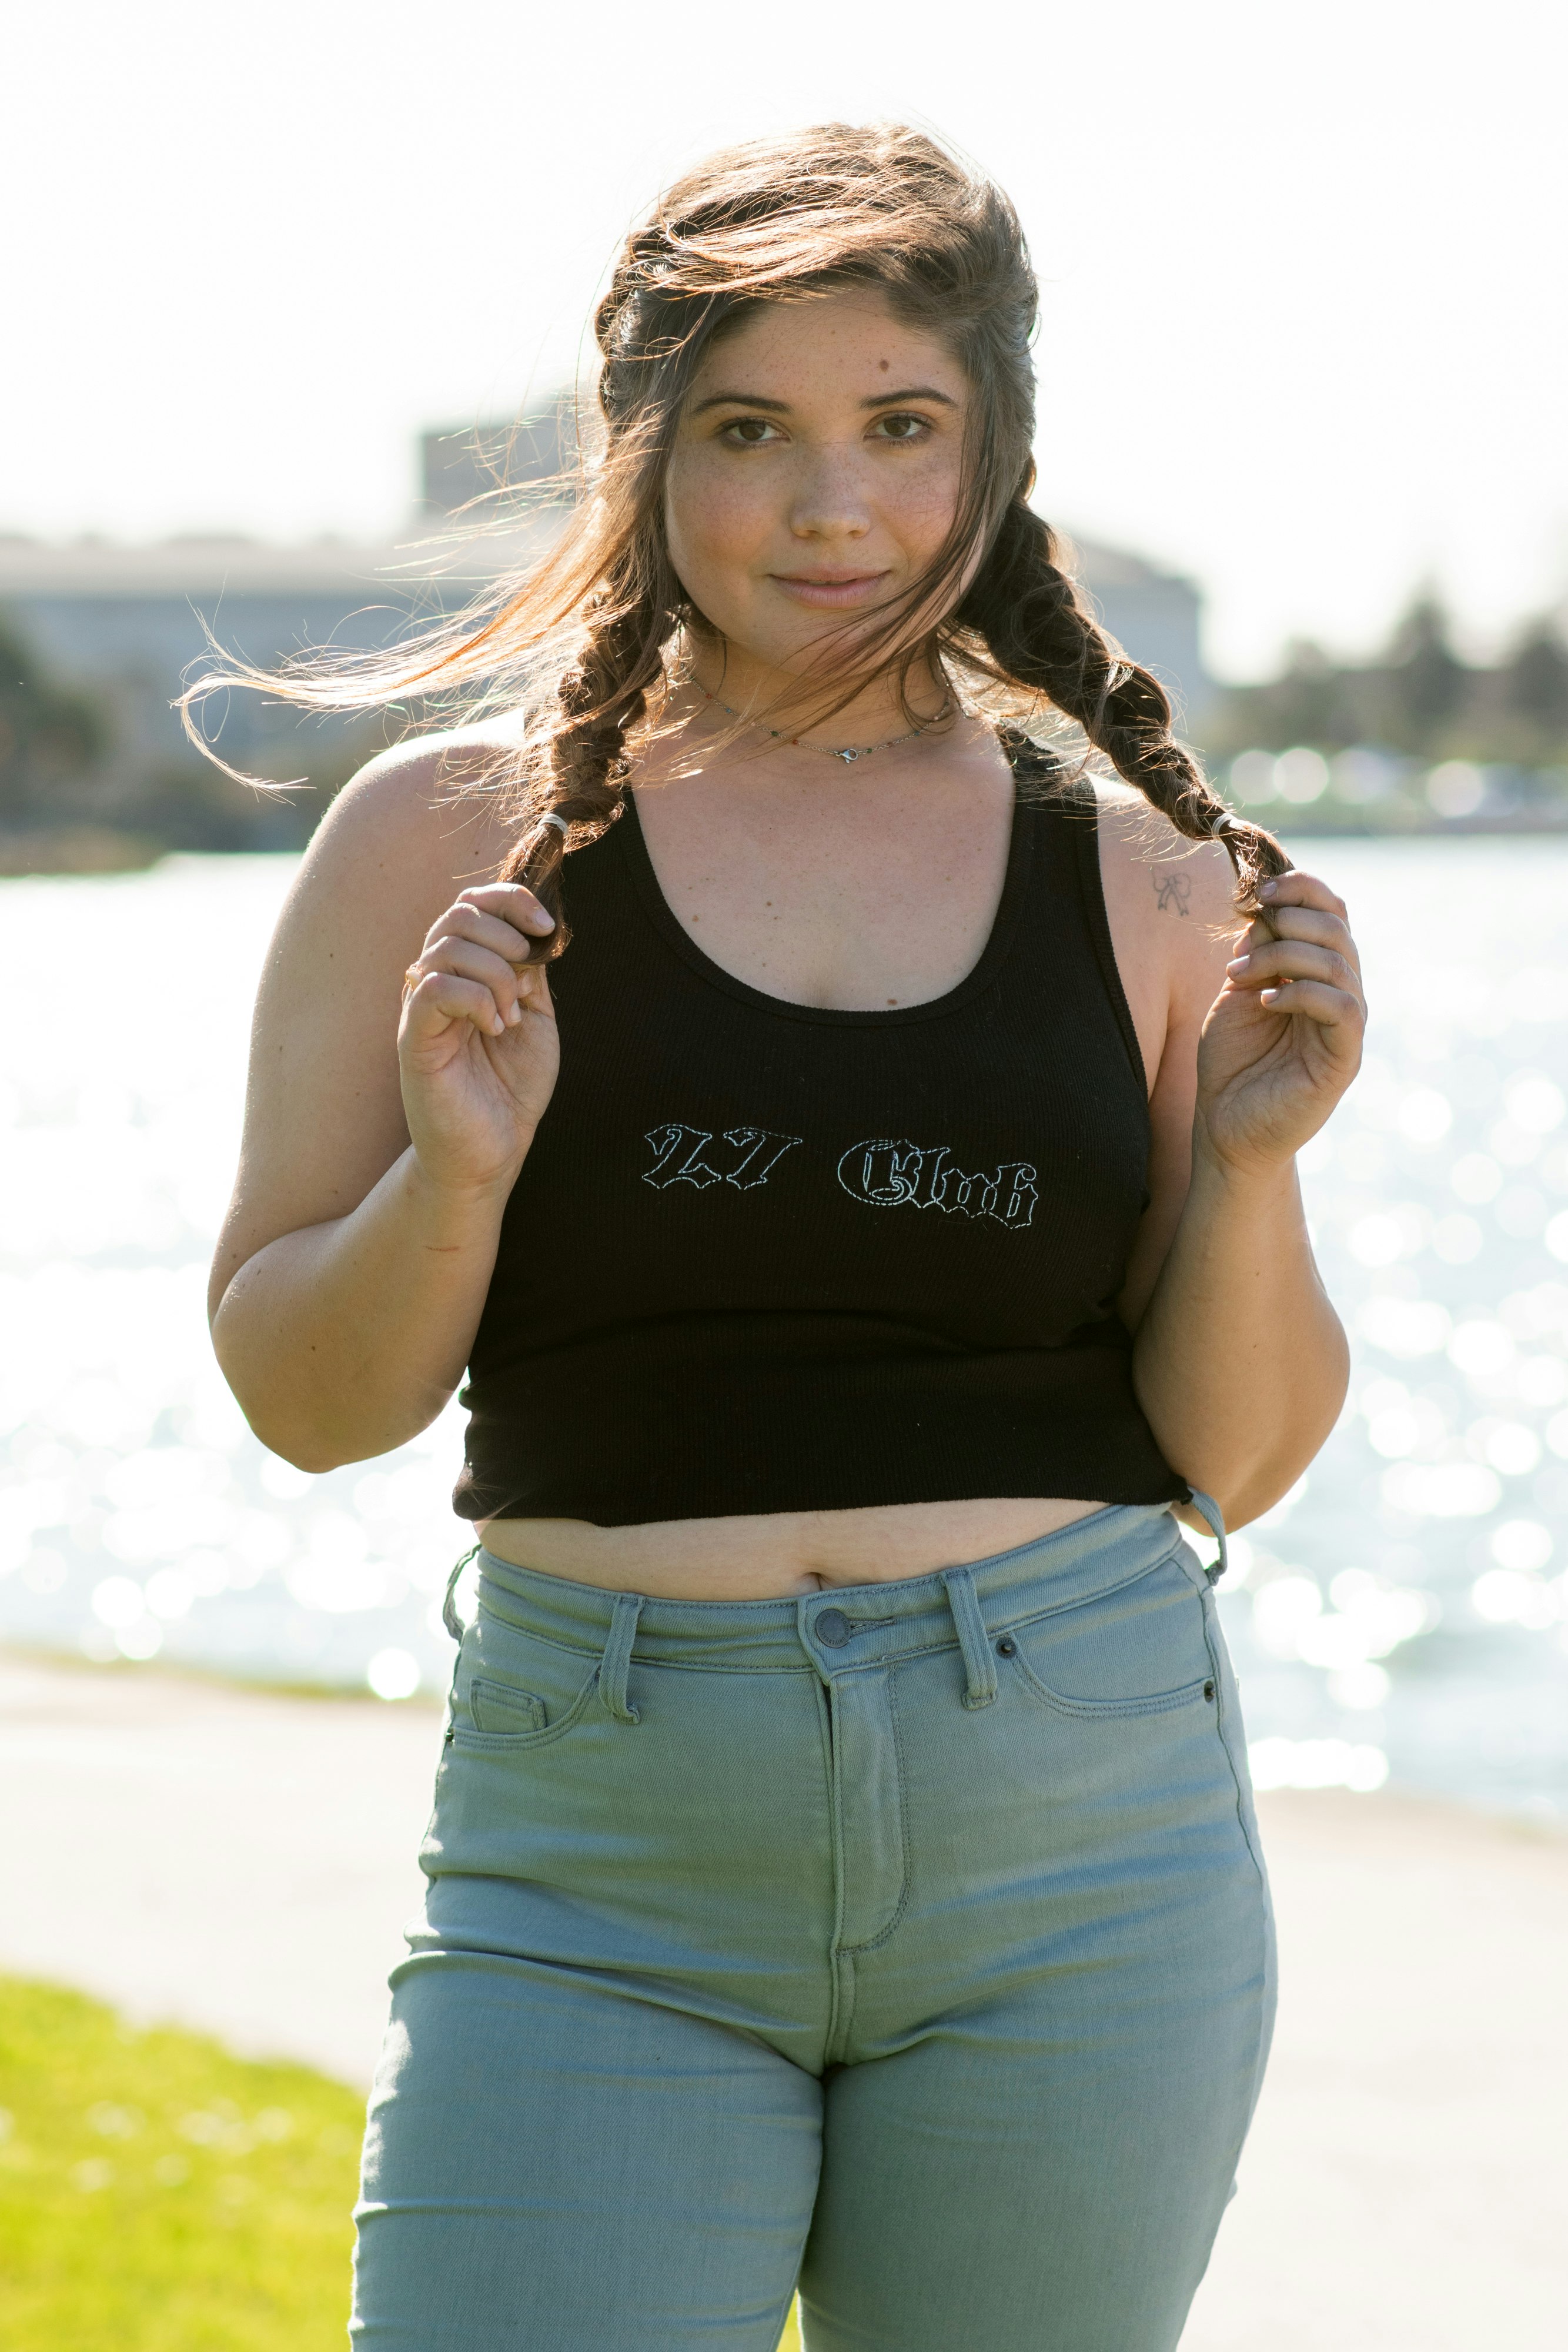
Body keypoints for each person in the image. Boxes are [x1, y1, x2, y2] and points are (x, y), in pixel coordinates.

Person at [199, 122, 1363, 2352]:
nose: (831, 510)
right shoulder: (439, 838)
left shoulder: (1138, 876)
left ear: (993, 450)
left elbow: (1237, 1453)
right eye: (750, 432)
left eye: (899, 430)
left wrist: (1251, 1163)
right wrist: (456, 1176)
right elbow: (305, 1404)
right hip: (601, 1856)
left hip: (1081, 1836)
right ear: (641, 448)